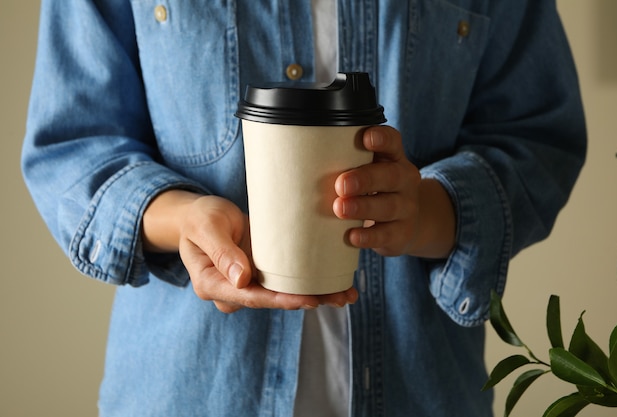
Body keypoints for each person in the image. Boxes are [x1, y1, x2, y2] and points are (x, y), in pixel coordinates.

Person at [21, 0, 586, 416]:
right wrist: (182, 220)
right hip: (185, 393)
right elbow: (73, 145)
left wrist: (429, 212)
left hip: (425, 393)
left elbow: (539, 137)